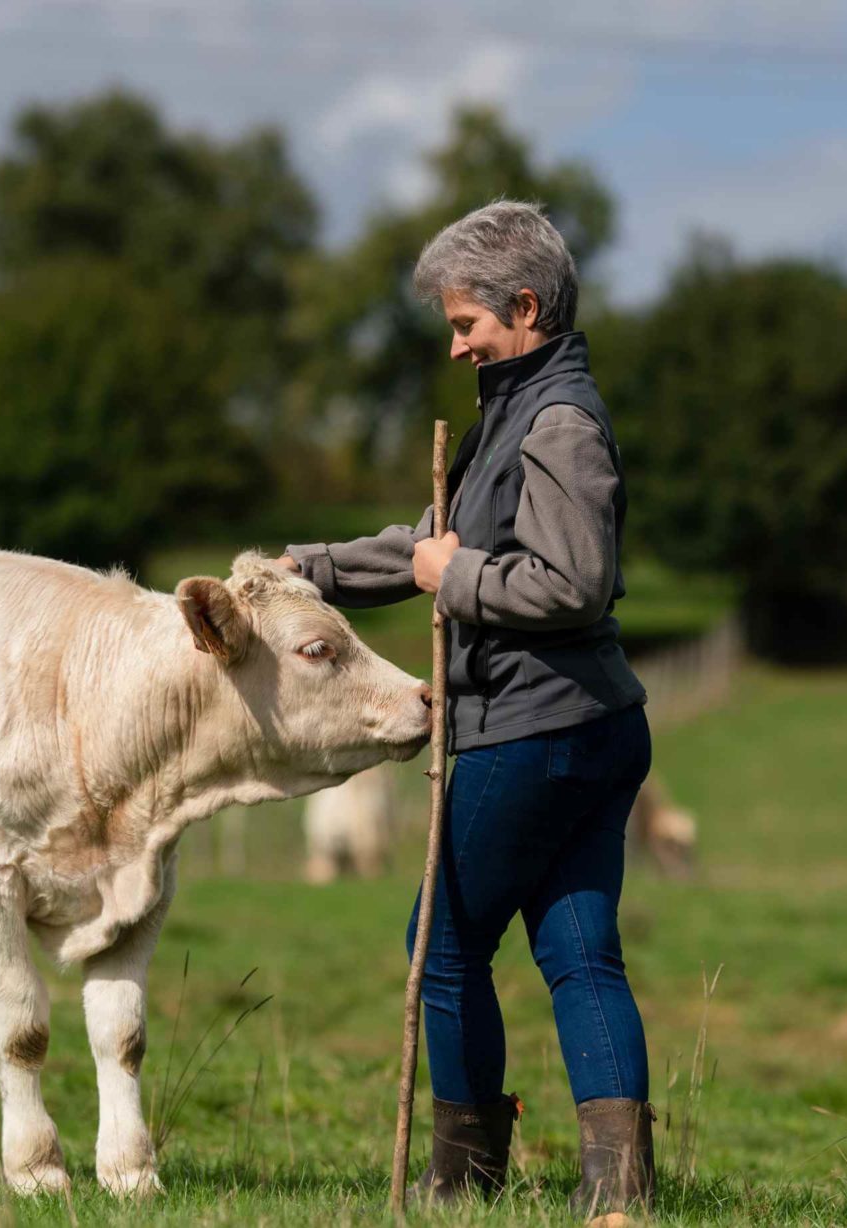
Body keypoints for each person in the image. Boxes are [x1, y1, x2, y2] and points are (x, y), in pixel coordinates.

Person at [281, 200, 655, 1216]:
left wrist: (459, 578)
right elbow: (425, 543)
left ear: (524, 308)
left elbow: (570, 581)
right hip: (587, 726)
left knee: (438, 948)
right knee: (579, 953)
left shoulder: (559, 420)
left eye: (466, 325)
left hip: (537, 727)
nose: (455, 346)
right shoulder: (516, 405)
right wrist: (301, 570)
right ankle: (617, 1195)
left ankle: (462, 1182)